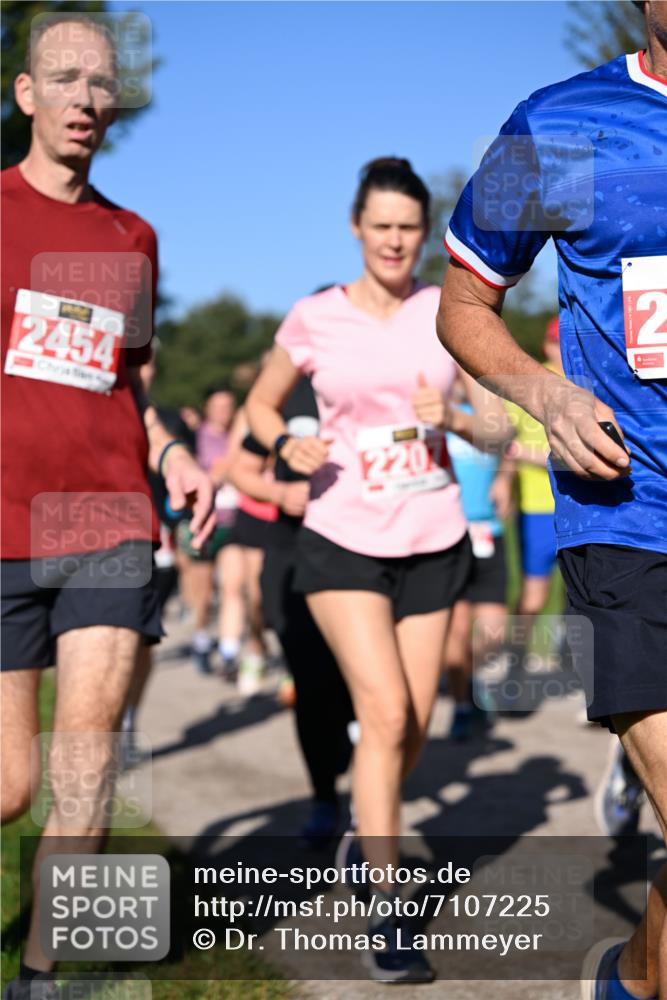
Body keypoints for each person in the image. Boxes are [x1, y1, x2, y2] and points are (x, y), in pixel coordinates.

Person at [437, 3, 666, 995]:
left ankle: (629, 978)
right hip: (627, 511)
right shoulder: (564, 124)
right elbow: (463, 300)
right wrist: (538, 388)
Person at [247, 157, 511, 983]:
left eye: (408, 228)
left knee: (416, 725)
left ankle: (369, 818)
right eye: (381, 227)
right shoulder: (314, 315)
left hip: (433, 535)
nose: (395, 241)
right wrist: (283, 439)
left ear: (424, 235)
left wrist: (461, 416)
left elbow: (502, 428)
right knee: (386, 710)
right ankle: (389, 907)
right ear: (357, 230)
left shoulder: (447, 313)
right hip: (341, 536)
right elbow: (261, 404)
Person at [1, 15, 214, 999]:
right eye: (67, 78)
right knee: (9, 785)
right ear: (26, 94)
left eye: (102, 83)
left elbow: (128, 381)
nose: (88, 98)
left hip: (108, 517)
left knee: (83, 761)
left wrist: (171, 453)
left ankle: (39, 974)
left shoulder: (133, 237)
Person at [228, 372, 354, 844]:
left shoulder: (374, 384)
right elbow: (241, 469)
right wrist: (280, 493)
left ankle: (351, 752)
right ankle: (323, 797)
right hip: (290, 553)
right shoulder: (285, 395)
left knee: (354, 678)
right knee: (310, 681)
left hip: (358, 553)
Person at [443, 378, 511, 740]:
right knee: (454, 629)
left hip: (489, 532)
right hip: (449, 535)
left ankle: (465, 675)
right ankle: (461, 706)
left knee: (494, 629)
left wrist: (503, 479)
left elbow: (507, 445)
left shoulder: (485, 415)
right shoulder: (437, 417)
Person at [177, 383, 241, 676]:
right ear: (208, 408)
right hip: (203, 523)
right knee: (202, 594)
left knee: (233, 587)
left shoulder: (239, 436)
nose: (224, 412)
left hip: (234, 523)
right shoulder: (195, 437)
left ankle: (229, 652)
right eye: (218, 407)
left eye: (228, 407)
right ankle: (202, 639)